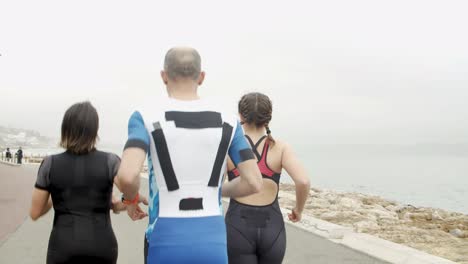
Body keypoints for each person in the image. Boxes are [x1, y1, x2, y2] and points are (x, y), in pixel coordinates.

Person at [117, 47, 263, 264]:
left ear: (164, 76)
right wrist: (213, 190)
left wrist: (131, 199)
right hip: (212, 239)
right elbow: (253, 182)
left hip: (164, 237)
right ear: (201, 77)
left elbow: (127, 177)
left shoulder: (143, 117)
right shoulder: (230, 121)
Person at [29, 101, 147, 264]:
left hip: (63, 247)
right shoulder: (110, 161)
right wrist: (132, 200)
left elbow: (35, 212)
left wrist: (56, 195)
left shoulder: (50, 164)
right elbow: (125, 188)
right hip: (102, 246)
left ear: (65, 129)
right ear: (94, 131)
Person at [225, 92, 311, 264]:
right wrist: (298, 210)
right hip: (272, 228)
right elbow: (303, 181)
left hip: (237, 226)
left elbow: (215, 186)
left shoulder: (229, 145)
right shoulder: (280, 148)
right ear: (268, 117)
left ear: (241, 115)